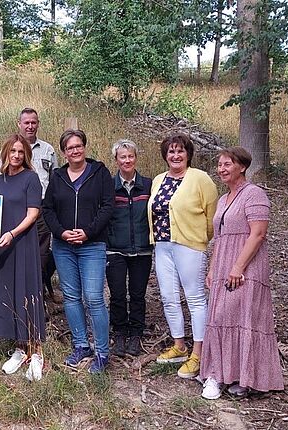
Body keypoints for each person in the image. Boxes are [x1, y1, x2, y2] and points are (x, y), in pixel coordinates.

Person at [200, 147, 284, 400]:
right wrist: (214, 268)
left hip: (247, 265)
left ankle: (245, 377)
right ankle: (216, 374)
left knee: (244, 318)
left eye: (227, 164)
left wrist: (238, 267)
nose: (221, 169)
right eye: (219, 165)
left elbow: (258, 234)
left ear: (242, 167)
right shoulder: (224, 199)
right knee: (219, 317)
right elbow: (220, 237)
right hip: (224, 262)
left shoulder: (254, 194)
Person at [43, 129, 114, 373]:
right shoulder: (57, 176)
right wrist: (61, 232)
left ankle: (102, 352)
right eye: (70, 148)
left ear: (85, 147)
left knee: (93, 297)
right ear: (64, 152)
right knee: (72, 297)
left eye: (78, 146)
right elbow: (47, 209)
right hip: (63, 246)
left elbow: (107, 206)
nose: (75, 151)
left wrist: (88, 232)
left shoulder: (100, 173)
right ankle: (81, 345)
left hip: (92, 245)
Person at [149, 133, 218, 379]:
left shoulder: (200, 179)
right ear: (165, 156)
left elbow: (213, 218)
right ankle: (179, 345)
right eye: (171, 152)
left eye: (180, 151)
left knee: (195, 297)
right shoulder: (158, 180)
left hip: (189, 245)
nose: (175, 156)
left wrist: (201, 239)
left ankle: (199, 352)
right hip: (162, 245)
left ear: (188, 154)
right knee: (169, 296)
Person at [0, 134, 46, 381]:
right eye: (12, 151)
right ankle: (20, 349)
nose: (16, 155)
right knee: (9, 292)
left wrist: (13, 233)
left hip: (22, 243)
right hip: (3, 244)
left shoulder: (31, 178)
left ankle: (37, 352)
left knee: (27, 292)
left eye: (20, 152)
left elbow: (32, 214)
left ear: (26, 155)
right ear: (5, 153)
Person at [0, 108, 59, 303]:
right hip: (14, 212)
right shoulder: (8, 149)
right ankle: (15, 299)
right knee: (15, 256)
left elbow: (54, 180)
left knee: (41, 257)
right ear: (19, 124)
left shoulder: (48, 149)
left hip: (40, 213)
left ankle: (36, 300)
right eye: (26, 123)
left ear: (38, 124)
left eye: (34, 122)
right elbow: (0, 179)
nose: (30, 126)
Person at [105, 139, 153, 358]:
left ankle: (136, 333)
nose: (127, 160)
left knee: (137, 294)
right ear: (116, 160)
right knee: (117, 294)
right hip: (115, 250)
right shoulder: (108, 187)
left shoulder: (148, 185)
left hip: (142, 249)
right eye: (122, 157)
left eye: (130, 156)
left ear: (136, 158)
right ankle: (120, 333)